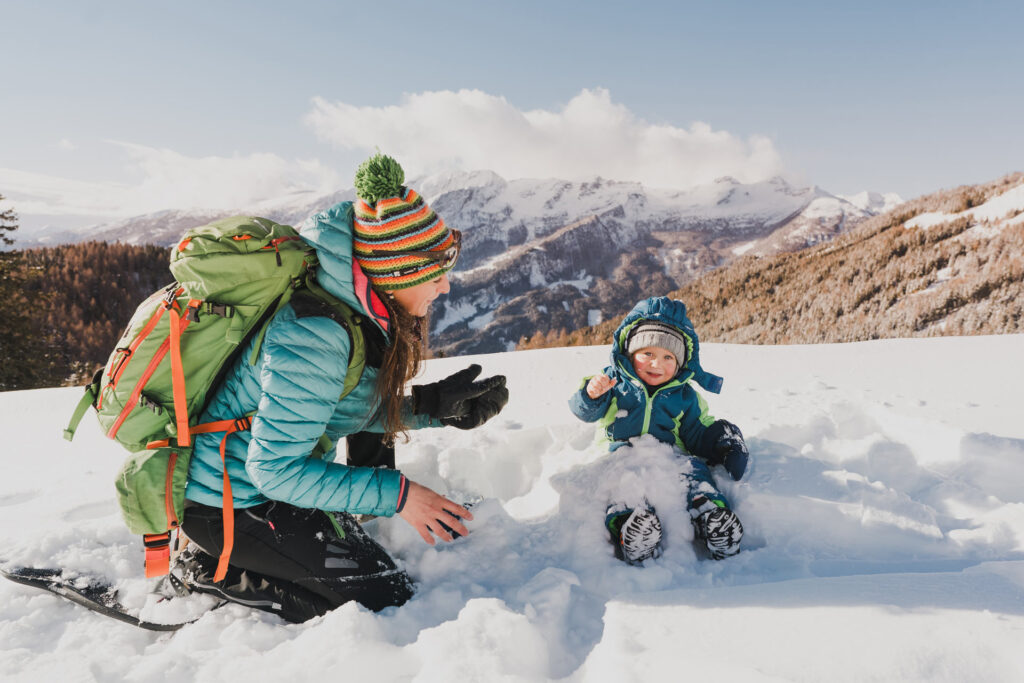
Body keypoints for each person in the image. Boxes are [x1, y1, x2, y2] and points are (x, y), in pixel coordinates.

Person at [173, 154, 509, 622]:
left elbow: (333, 408)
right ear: (395, 275)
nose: (447, 287)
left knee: (383, 585)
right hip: (231, 502)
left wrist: (434, 408)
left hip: (270, 489)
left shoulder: (359, 313)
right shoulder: (316, 335)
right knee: (380, 599)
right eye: (434, 274)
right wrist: (400, 495)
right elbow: (273, 469)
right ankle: (205, 568)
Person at [568, 296, 748, 563]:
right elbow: (584, 411)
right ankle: (632, 530)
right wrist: (591, 394)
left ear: (679, 363)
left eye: (667, 357)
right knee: (623, 485)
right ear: (630, 353)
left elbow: (698, 432)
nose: (656, 364)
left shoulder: (684, 397)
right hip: (621, 455)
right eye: (648, 354)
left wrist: (722, 440)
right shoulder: (613, 383)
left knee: (694, 472)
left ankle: (712, 519)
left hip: (670, 457)